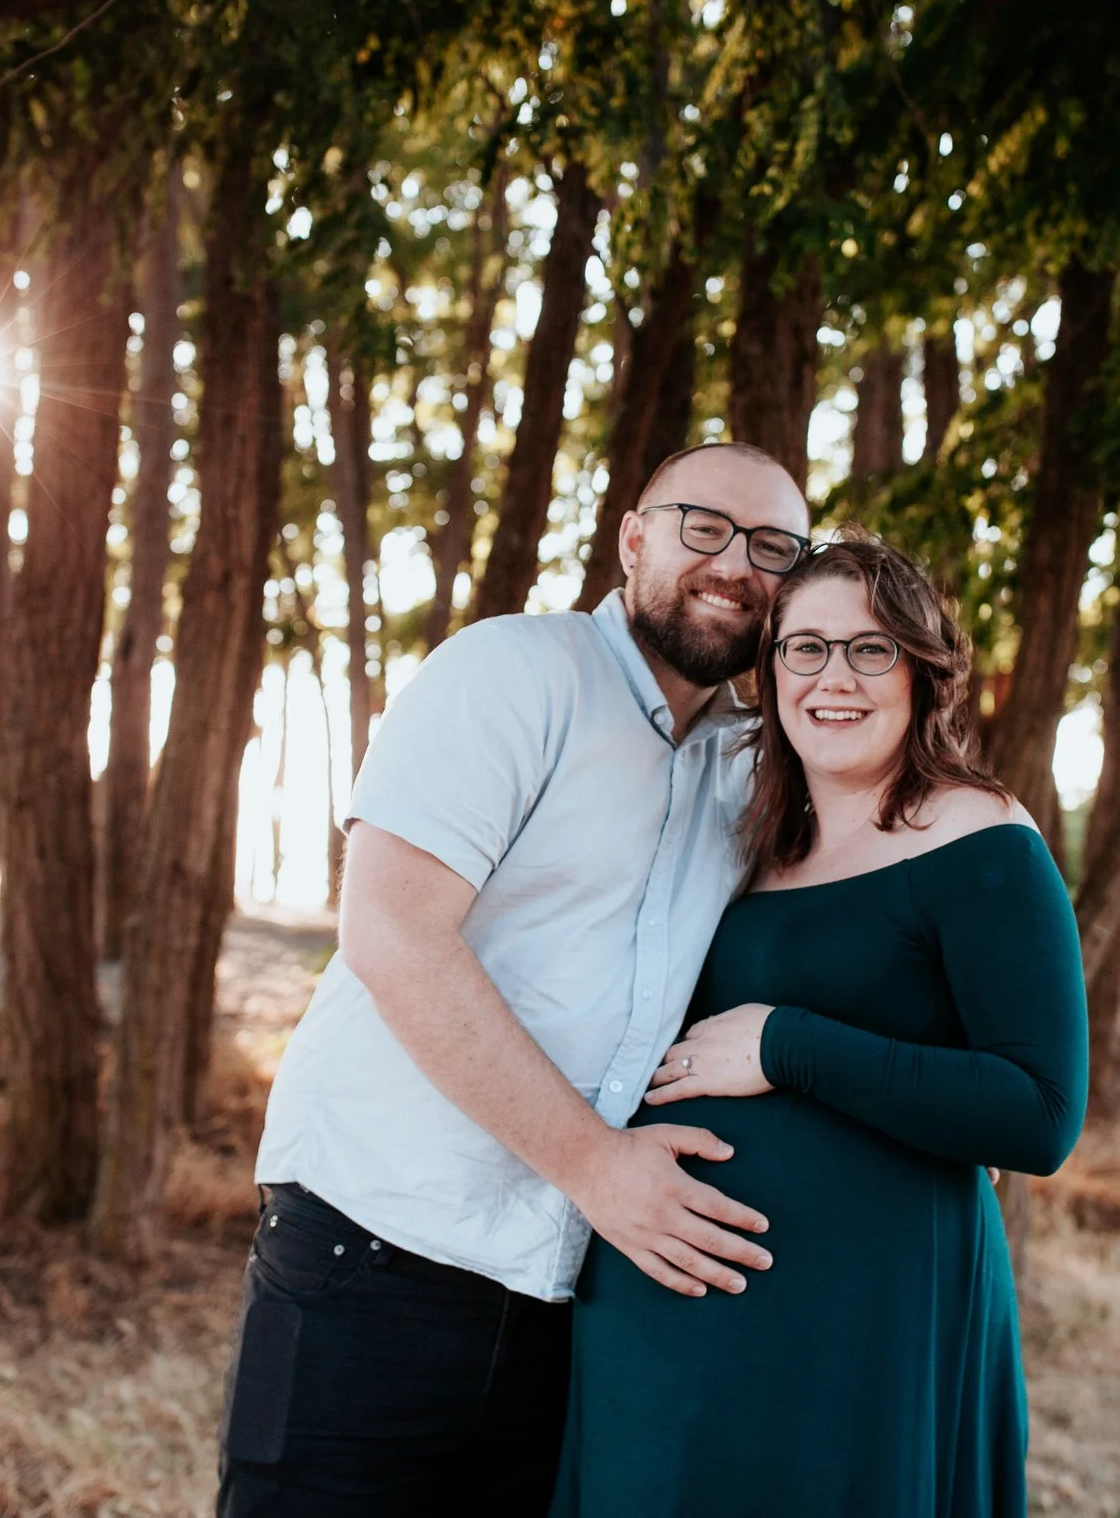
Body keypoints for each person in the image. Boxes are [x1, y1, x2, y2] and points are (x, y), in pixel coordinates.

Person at [217, 442, 814, 1516]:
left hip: (566, 1303)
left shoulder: (753, 762)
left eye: (772, 545)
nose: (735, 563)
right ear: (633, 537)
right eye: (704, 526)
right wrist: (599, 1165)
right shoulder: (512, 672)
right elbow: (394, 931)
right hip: (375, 1259)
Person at [553, 534, 1090, 1518]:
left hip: (858, 1332)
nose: (832, 676)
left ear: (923, 672)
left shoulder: (979, 836)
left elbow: (1039, 1111)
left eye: (869, 648)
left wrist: (785, 1044)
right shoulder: (748, 834)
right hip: (665, 1321)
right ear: (769, 671)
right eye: (805, 647)